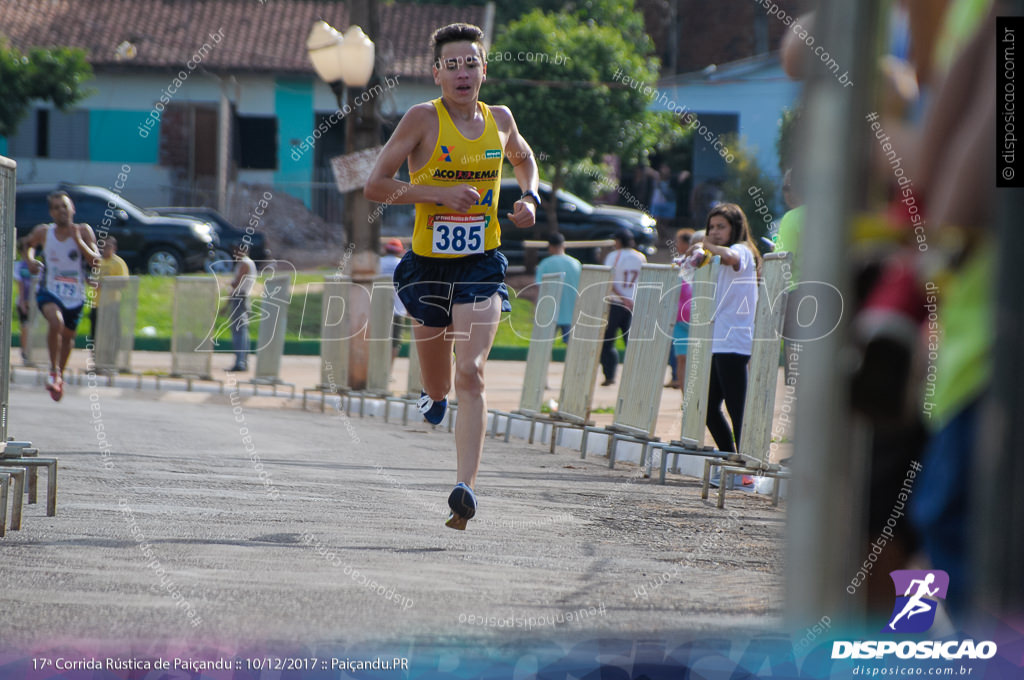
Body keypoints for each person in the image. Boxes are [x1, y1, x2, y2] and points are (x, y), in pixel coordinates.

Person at [364, 22, 539, 530]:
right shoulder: (422, 119)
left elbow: (524, 160)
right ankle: (432, 393)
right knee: (440, 384)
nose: (463, 73)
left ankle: (465, 488)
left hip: (481, 262)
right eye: (452, 64)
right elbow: (376, 185)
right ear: (437, 73)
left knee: (472, 371)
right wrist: (436, 194)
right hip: (426, 267)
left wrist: (529, 196)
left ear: (484, 70)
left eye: (471, 63)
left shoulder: (501, 119)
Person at [685, 204, 760, 484]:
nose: (715, 233)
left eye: (721, 227)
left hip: (734, 341)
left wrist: (705, 245)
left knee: (737, 409)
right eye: (711, 227)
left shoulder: (741, 250)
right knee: (707, 408)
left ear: (735, 229)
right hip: (719, 341)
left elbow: (729, 256)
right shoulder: (713, 256)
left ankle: (747, 474)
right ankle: (731, 462)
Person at [22, 191, 100, 401]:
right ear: (51, 212)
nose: (61, 211)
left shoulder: (83, 231)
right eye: (56, 208)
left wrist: (79, 242)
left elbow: (95, 261)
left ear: (72, 208)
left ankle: (59, 375)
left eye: (64, 206)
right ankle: (53, 370)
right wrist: (30, 260)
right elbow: (28, 245)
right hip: (50, 290)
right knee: (56, 322)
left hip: (75, 294)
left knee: (68, 338)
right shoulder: (44, 232)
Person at [600, 229, 647, 386]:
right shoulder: (640, 257)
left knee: (608, 341)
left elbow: (609, 279)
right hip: (634, 303)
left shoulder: (614, 256)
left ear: (618, 241)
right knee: (631, 342)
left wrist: (623, 298)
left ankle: (610, 375)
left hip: (617, 303)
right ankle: (636, 375)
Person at [534, 232, 581, 344]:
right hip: (572, 311)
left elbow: (539, 287)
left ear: (550, 247)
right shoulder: (576, 263)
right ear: (563, 245)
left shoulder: (545, 264)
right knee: (572, 345)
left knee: (545, 345)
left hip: (551, 311)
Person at [666, 228, 695, 389]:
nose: (676, 245)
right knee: (683, 359)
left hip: (694, 317)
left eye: (678, 241)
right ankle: (687, 401)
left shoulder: (706, 263)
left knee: (688, 360)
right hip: (682, 317)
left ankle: (693, 400)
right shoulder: (678, 263)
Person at [87, 235, 130, 343]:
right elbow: (93, 278)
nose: (105, 249)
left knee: (111, 332)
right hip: (97, 303)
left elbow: (123, 282)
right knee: (95, 332)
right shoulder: (97, 262)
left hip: (111, 302)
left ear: (114, 248)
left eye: (108, 246)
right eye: (103, 246)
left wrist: (105, 285)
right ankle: (96, 355)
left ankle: (111, 356)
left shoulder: (118, 263)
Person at [225, 243, 256, 372]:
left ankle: (240, 362)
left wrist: (230, 284)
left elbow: (237, 283)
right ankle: (242, 360)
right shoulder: (247, 263)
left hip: (240, 297)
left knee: (239, 330)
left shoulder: (244, 263)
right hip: (241, 297)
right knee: (241, 330)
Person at [379, 237, 408, 367]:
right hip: (398, 309)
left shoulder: (378, 262)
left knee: (377, 340)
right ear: (400, 251)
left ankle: (377, 372)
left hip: (379, 309)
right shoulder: (402, 264)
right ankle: (387, 371)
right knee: (395, 343)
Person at [14, 241, 38, 365]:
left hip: (35, 303)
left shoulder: (38, 265)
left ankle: (31, 353)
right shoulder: (19, 265)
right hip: (24, 302)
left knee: (33, 329)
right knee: (25, 327)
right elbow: (21, 285)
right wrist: (23, 302)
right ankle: (25, 353)